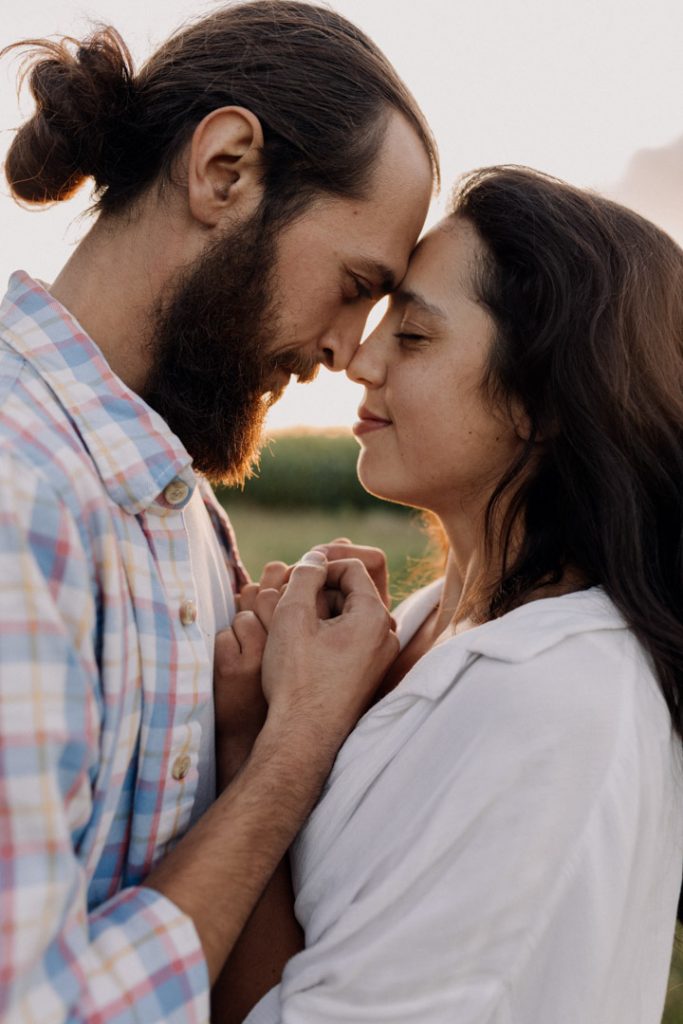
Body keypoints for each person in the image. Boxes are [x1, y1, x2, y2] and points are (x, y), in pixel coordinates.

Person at [0, 2, 438, 1020]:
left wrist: (257, 726)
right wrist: (295, 751)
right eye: (353, 285)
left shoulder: (184, 513)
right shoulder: (20, 496)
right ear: (225, 170)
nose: (344, 351)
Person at [230, 167, 683, 1024]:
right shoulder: (425, 624)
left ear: (541, 400)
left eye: (412, 335)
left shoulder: (553, 698)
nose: (359, 359)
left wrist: (257, 738)